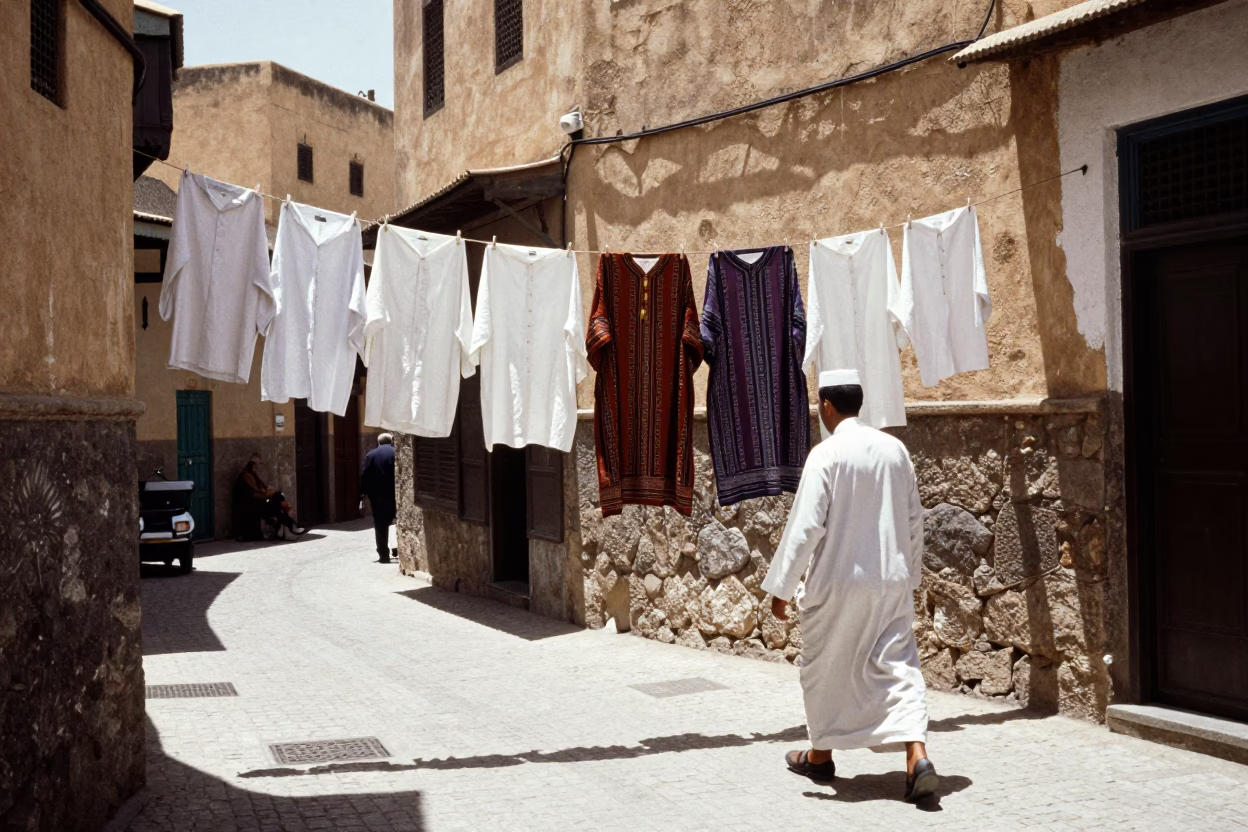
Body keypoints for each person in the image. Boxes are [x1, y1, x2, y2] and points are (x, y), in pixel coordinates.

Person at [762, 369, 937, 802]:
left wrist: (782, 587)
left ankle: (821, 757)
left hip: (838, 582)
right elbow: (914, 519)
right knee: (898, 666)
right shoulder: (895, 450)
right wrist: (912, 577)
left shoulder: (826, 454)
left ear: (826, 406)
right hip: (890, 579)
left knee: (825, 668)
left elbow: (806, 527)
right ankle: (916, 755)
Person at [233, 453, 306, 540]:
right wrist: (268, 494)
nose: (257, 467)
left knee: (279, 501)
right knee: (275, 503)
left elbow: (262, 489)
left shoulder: (252, 475)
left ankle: (288, 527)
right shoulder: (247, 476)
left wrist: (270, 493)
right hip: (249, 505)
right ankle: (289, 527)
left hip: (256, 503)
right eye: (256, 464)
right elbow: (254, 493)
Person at [360, 433, 397, 563]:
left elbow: (365, 475)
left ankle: (383, 554)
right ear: (392, 441)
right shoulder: (396, 452)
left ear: (378, 442)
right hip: (395, 493)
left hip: (378, 496)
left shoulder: (371, 455)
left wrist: (363, 493)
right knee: (399, 521)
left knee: (381, 524)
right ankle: (398, 548)